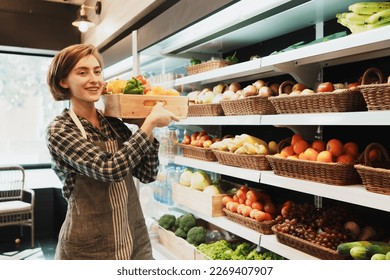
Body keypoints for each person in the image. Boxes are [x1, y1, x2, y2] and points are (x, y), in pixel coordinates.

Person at [46, 44, 179, 260]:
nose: (94, 79)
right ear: (63, 81)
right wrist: (149, 125)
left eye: (97, 71)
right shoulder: (60, 129)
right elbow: (110, 169)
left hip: (132, 237)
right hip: (87, 245)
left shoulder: (113, 124)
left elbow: (147, 174)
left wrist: (145, 125)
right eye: (82, 72)